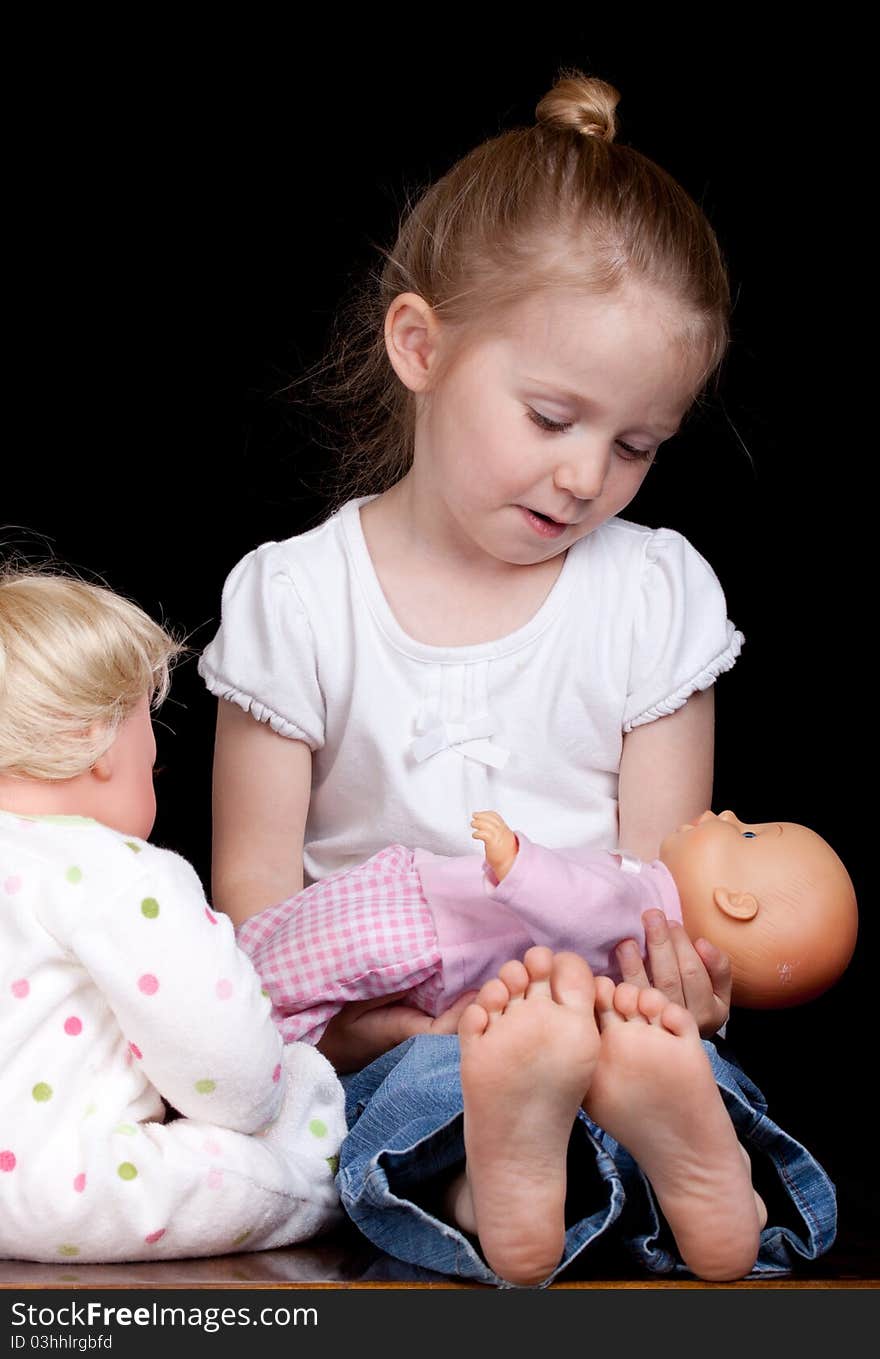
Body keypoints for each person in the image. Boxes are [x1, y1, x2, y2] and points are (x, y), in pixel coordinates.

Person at [199, 70, 836, 1284]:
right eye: (552, 417)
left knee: (663, 1063)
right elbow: (256, 914)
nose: (587, 477)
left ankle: (667, 1154)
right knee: (422, 1093)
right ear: (420, 346)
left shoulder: (651, 594)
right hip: (389, 1024)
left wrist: (677, 989)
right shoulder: (297, 598)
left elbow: (662, 881)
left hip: (599, 1015)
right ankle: (506, 1160)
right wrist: (380, 1024)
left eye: (635, 444)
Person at [0, 568, 346, 1264]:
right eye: (147, 750)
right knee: (296, 1120)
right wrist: (286, 1103)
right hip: (71, 1190)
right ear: (97, 738)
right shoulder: (115, 872)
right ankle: (330, 1177)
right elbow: (232, 1078)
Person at [235, 807, 858, 1045]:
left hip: (423, 925)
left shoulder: (646, 898)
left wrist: (518, 861)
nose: (725, 813)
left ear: (735, 902)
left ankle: (227, 1019)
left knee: (284, 973)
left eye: (745, 832)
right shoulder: (647, 932)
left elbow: (580, 903)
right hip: (449, 968)